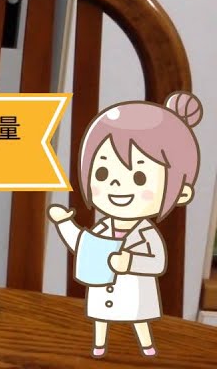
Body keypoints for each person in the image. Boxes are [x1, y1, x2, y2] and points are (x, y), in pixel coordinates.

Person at [47, 90, 204, 359]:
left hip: (135, 295)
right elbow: (81, 243)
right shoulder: (101, 229)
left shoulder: (146, 234)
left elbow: (157, 262)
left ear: (181, 192)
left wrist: (130, 262)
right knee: (100, 318)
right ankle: (99, 344)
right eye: (103, 173)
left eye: (140, 177)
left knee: (139, 319)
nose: (117, 185)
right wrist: (64, 224)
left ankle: (147, 345)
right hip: (101, 294)